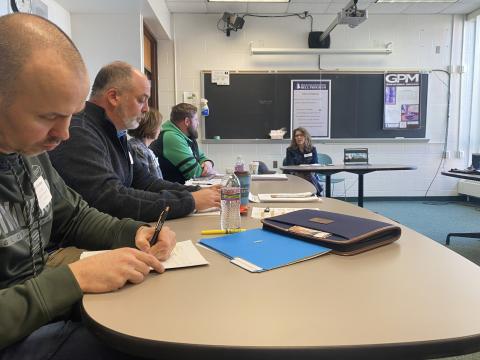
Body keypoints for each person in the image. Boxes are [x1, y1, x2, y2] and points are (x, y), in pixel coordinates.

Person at [0, 13, 176, 359]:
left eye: (70, 115)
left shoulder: (29, 153)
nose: (64, 134)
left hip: (39, 311)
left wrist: (133, 232)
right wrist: (73, 280)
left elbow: (74, 216)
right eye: (48, 117)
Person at [49, 62, 220, 222]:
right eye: (141, 100)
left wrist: (200, 192)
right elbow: (111, 200)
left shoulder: (117, 133)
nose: (146, 108)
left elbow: (146, 182)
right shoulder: (80, 133)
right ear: (114, 97)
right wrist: (189, 201)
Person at [150, 103, 216, 184]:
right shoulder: (171, 137)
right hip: (171, 192)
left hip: (181, 189)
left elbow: (201, 157)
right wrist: (207, 169)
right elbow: (194, 173)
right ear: (187, 121)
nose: (198, 123)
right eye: (196, 120)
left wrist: (208, 163)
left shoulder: (187, 137)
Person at [285, 127, 324, 195]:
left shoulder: (312, 149)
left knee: (309, 175)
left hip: (310, 173)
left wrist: (308, 169)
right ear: (294, 138)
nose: (299, 137)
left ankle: (316, 193)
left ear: (305, 136)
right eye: (296, 136)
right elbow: (290, 166)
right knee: (308, 176)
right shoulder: (290, 150)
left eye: (301, 135)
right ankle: (318, 194)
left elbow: (315, 163)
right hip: (295, 174)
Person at [128, 108, 163, 179]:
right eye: (159, 126)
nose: (161, 129)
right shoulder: (137, 149)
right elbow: (146, 182)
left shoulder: (145, 148)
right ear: (151, 127)